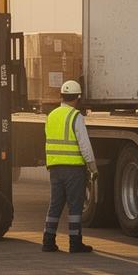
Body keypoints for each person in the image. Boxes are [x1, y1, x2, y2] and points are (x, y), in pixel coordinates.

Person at [42, 80, 95, 254]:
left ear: (61, 96)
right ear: (78, 98)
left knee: (55, 204)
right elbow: (84, 145)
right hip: (73, 169)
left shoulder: (52, 116)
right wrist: (93, 167)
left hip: (55, 167)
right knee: (75, 206)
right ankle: (75, 243)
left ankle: (48, 242)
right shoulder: (76, 117)